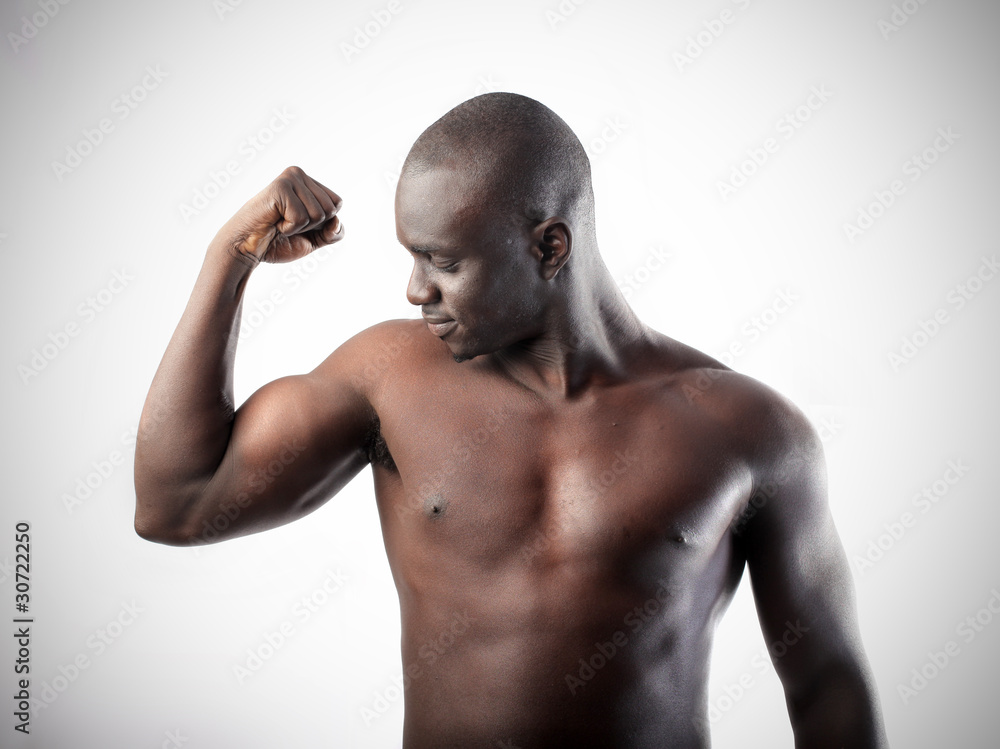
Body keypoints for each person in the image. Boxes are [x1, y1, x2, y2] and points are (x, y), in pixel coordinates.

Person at [134, 92, 887, 748]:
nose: (414, 290)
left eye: (443, 262)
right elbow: (176, 505)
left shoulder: (746, 430)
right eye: (413, 258)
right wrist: (229, 259)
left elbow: (827, 687)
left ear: (550, 247)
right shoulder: (386, 379)